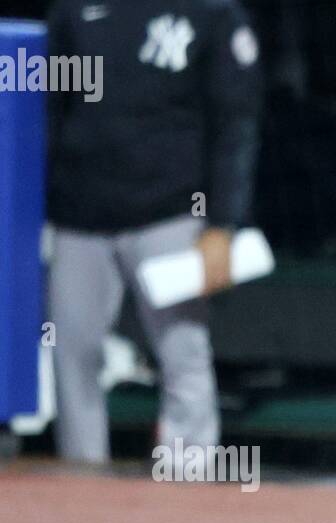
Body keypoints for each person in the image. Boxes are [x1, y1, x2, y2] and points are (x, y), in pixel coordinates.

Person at [44, 0, 262, 463]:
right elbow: (47, 114)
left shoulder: (211, 11)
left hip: (171, 213)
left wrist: (223, 223)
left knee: (184, 358)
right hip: (78, 218)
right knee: (71, 361)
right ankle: (79, 492)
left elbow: (236, 122)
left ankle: (188, 488)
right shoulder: (72, 9)